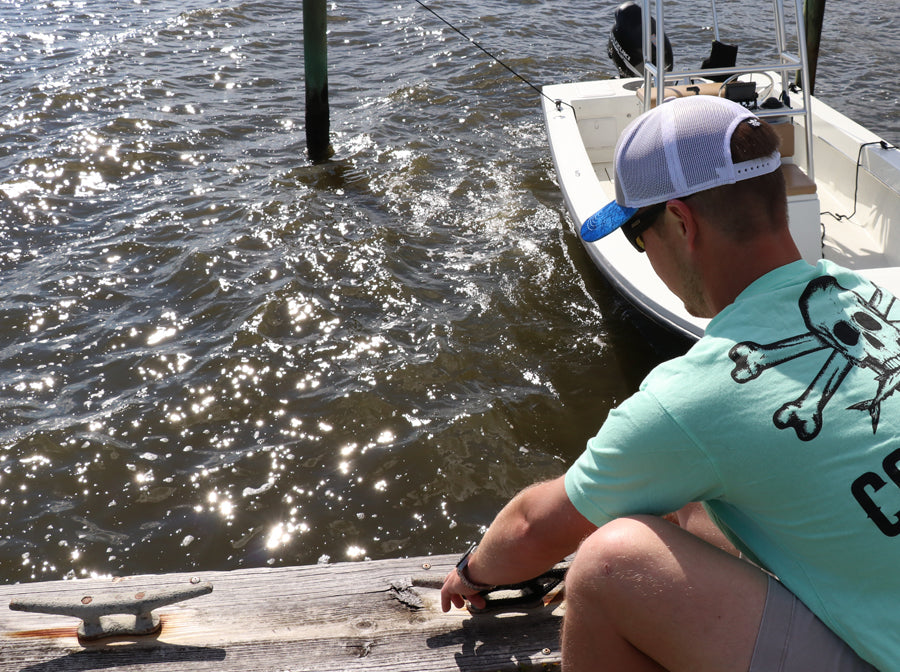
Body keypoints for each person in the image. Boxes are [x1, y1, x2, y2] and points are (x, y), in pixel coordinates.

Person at [440, 94, 899, 671]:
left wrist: (470, 570)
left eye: (637, 234)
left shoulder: (696, 395)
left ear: (681, 223)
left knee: (611, 562)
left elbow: (536, 527)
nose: (643, 252)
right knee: (691, 499)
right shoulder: (882, 300)